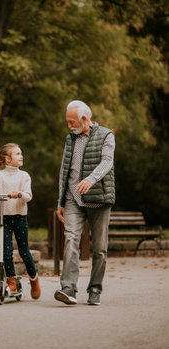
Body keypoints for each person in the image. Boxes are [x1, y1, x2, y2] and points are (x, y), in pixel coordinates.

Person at [54, 100, 115, 306]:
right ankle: (68, 288)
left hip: (98, 199)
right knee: (71, 239)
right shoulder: (70, 138)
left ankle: (95, 289)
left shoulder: (106, 135)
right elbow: (65, 169)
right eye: (67, 122)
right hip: (73, 198)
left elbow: (107, 161)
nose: (69, 126)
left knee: (99, 248)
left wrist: (91, 179)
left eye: (72, 122)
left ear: (84, 119)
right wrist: (60, 200)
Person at [0, 142, 41, 299]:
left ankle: (34, 279)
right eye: (17, 154)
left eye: (21, 153)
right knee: (6, 253)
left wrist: (20, 194)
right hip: (4, 218)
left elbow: (28, 196)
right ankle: (11, 282)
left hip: (20, 217)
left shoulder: (24, 176)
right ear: (7, 159)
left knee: (24, 252)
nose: (21, 156)